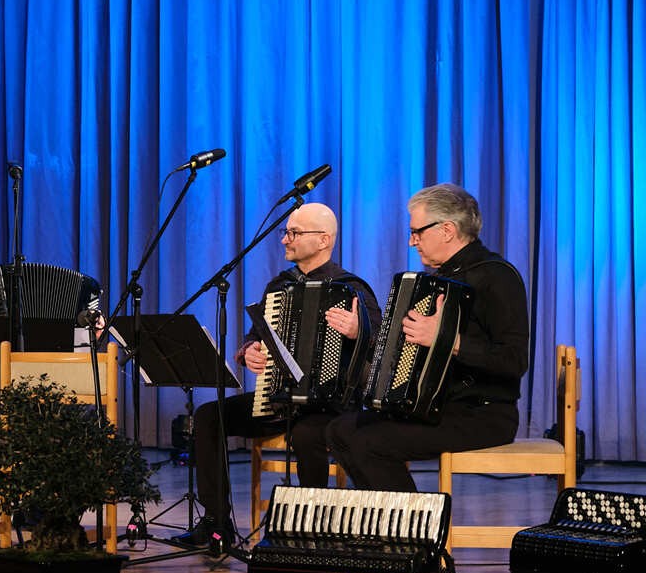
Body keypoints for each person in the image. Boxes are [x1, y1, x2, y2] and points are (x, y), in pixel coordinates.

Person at [176, 202, 381, 551]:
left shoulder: (351, 288)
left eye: (294, 233)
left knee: (306, 434)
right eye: (286, 232)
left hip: (331, 405)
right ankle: (217, 523)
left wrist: (357, 330)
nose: (285, 239)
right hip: (279, 398)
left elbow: (381, 345)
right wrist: (249, 351)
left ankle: (311, 529)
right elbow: (257, 336)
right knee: (209, 416)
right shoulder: (280, 285)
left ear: (323, 239)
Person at [324, 183, 529, 492]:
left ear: (447, 230)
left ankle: (414, 521)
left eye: (417, 232)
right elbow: (401, 350)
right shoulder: (435, 281)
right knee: (339, 430)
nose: (412, 241)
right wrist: (360, 333)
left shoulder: (498, 276)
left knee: (370, 442)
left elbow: (514, 360)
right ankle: (391, 517)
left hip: (482, 414)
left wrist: (447, 340)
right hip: (435, 408)